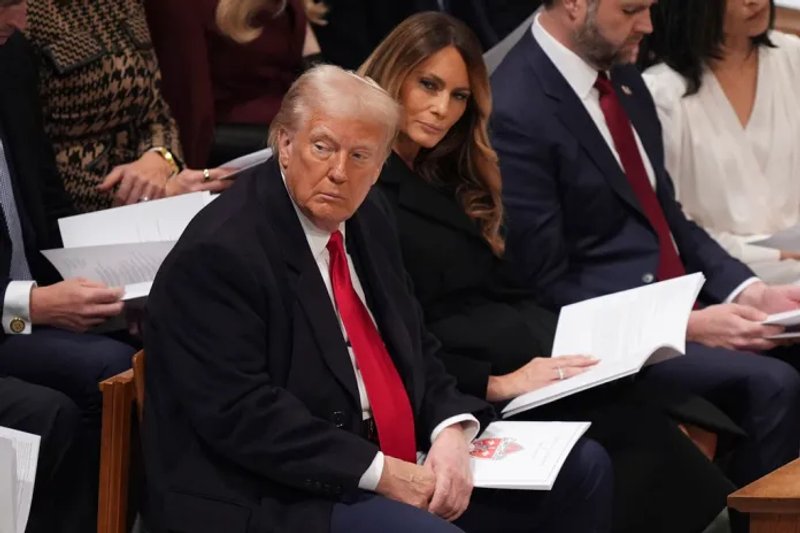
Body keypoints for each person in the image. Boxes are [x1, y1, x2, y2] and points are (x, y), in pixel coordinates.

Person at [142, 64, 613, 533]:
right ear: (285, 144)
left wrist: (450, 429)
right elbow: (244, 415)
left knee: (582, 470)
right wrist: (384, 473)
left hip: (392, 453)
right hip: (273, 491)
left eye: (361, 156)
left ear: (383, 162)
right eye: (322, 147)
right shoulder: (220, 252)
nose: (339, 173)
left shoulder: (368, 215)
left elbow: (415, 343)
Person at [362, 12, 735, 532]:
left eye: (459, 96)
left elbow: (505, 285)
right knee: (632, 438)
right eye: (428, 85)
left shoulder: (445, 169)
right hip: (465, 386)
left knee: (647, 417)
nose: (441, 109)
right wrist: (498, 382)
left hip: (533, 353)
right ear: (391, 74)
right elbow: (387, 330)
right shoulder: (362, 186)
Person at [489, 0, 800, 527]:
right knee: (774, 382)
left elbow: (668, 218)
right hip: (610, 337)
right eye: (632, 9)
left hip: (679, 300)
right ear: (573, 5)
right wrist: (678, 324)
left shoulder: (621, 78)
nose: (649, 26)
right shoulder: (515, 105)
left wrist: (748, 290)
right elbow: (543, 286)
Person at [0, 1, 135, 529]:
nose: (21, 22)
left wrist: (103, 281)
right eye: (7, 5)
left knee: (140, 348)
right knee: (67, 397)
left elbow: (44, 194)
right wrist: (30, 305)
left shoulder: (10, 60)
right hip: (13, 313)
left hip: (22, 303)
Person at [640, 0, 800, 285]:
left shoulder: (793, 56)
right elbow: (671, 224)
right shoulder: (661, 93)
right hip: (722, 282)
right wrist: (777, 256)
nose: (755, 1)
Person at [25, 0, 232, 212]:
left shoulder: (124, 4)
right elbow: (28, 159)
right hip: (76, 209)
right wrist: (153, 194)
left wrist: (161, 156)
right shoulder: (23, 11)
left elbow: (155, 109)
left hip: (153, 196)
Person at [145, 0, 325, 168]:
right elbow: (191, 113)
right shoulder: (185, 6)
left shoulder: (290, 6)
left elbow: (315, 79)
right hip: (237, 146)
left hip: (294, 127)